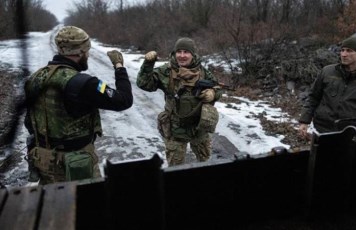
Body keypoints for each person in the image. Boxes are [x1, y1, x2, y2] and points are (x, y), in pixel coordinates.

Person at [24, 26, 133, 184]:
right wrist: (119, 67)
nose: (88, 55)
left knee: (54, 205)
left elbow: (30, 121)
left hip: (45, 162)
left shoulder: (35, 78)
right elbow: (123, 100)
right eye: (87, 50)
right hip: (75, 166)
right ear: (80, 52)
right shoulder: (85, 83)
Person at [137, 37, 222, 166]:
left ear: (193, 54)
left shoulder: (202, 71)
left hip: (199, 128)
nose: (182, 56)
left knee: (205, 163)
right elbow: (144, 84)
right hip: (175, 129)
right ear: (174, 53)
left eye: (186, 52)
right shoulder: (166, 71)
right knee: (175, 169)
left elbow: (217, 87)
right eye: (179, 52)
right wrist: (148, 64)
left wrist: (213, 94)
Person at [298, 36, 356, 139]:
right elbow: (313, 97)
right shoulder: (327, 72)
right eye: (342, 50)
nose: (344, 54)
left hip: (351, 133)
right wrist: (304, 122)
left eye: (349, 51)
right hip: (322, 129)